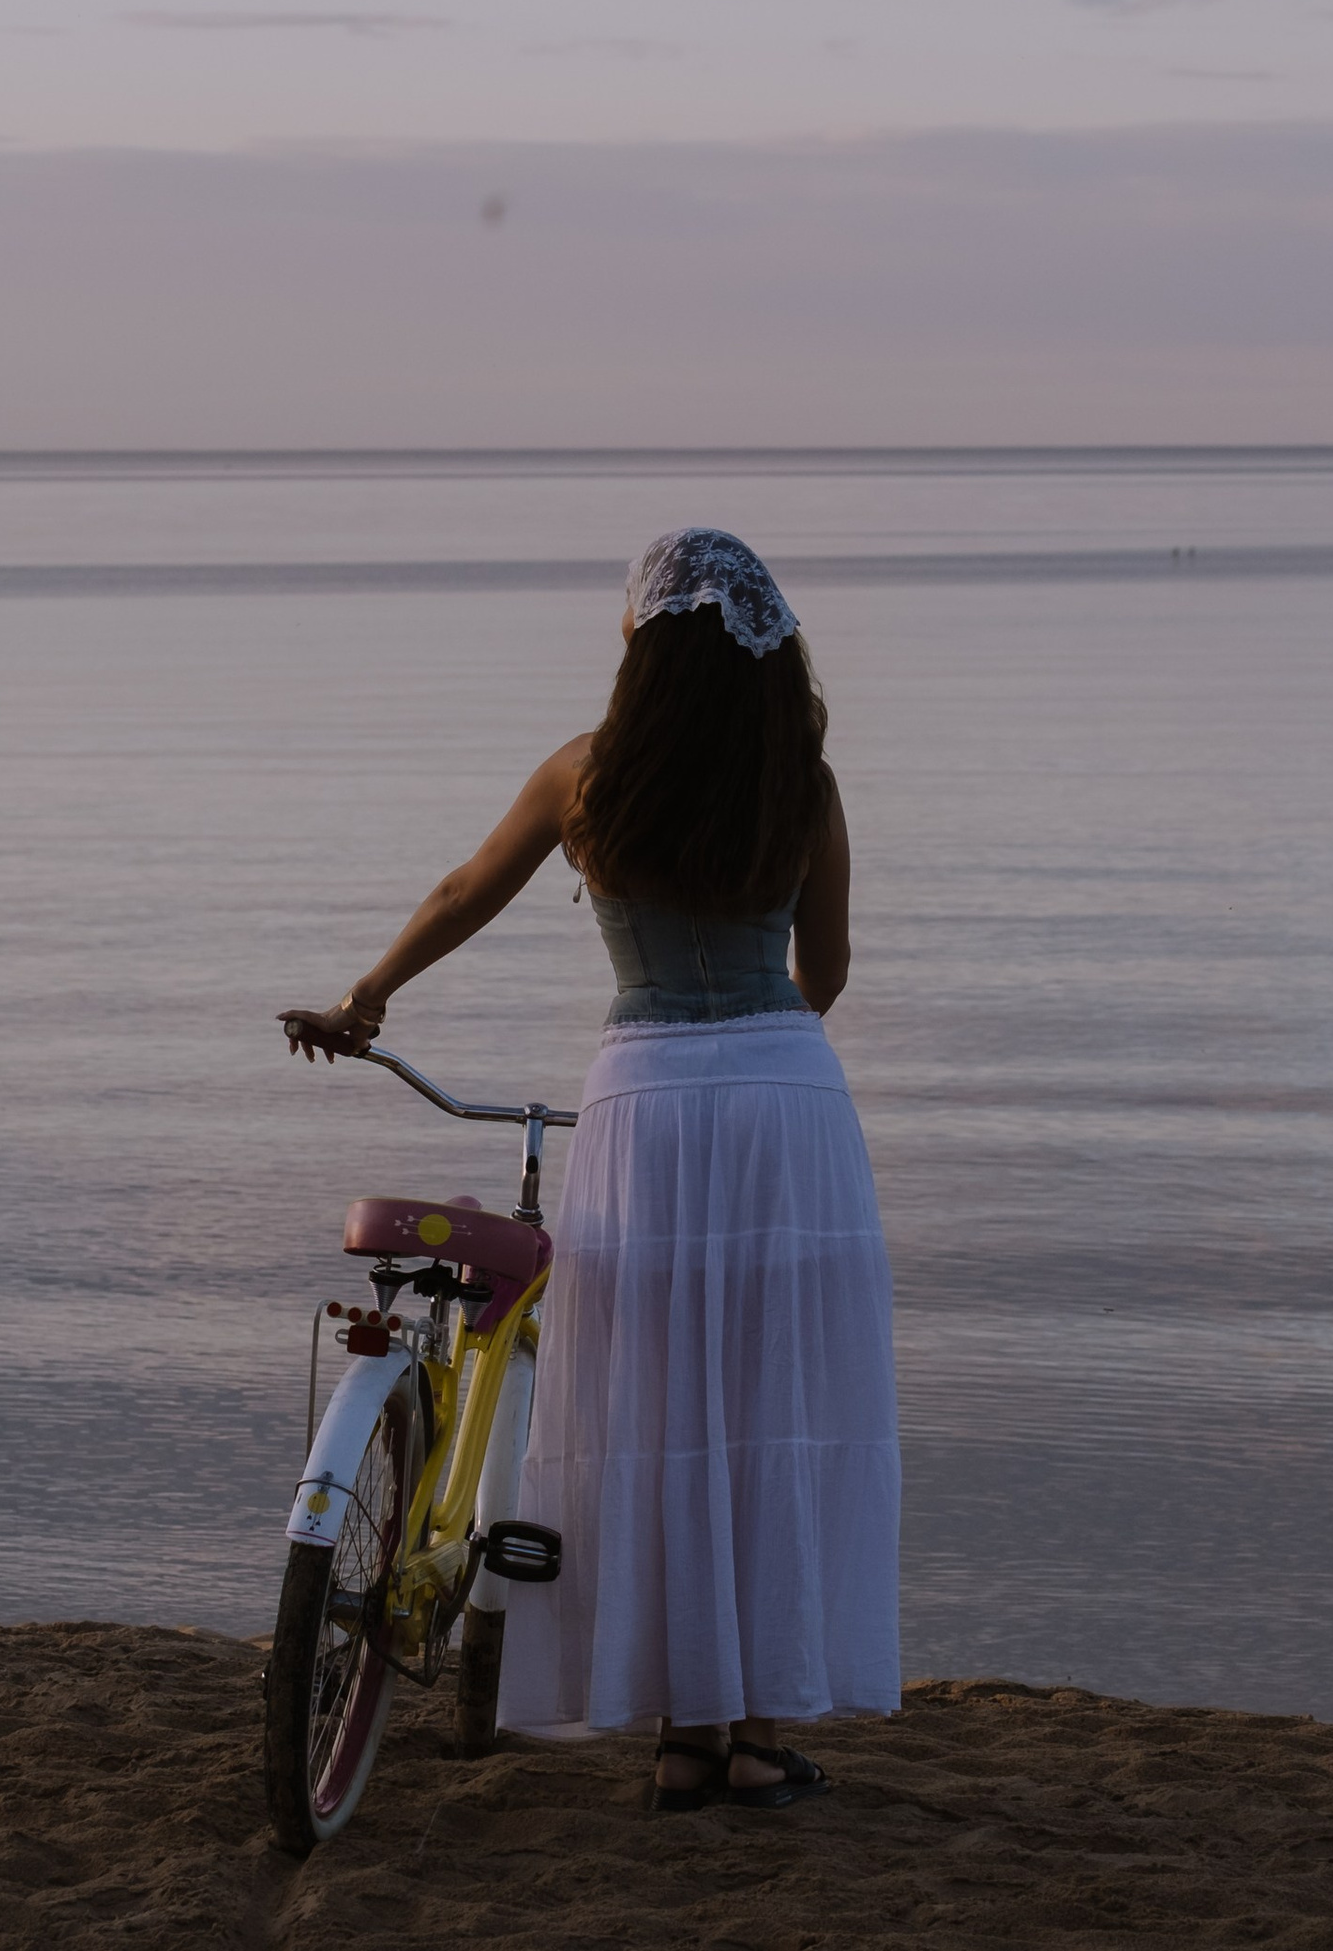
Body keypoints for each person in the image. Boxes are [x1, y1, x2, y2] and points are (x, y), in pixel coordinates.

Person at [280, 527, 900, 1813]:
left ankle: (680, 1732)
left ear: (642, 647)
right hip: (787, 1099)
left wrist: (367, 997)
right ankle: (757, 1732)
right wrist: (758, 1038)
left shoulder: (587, 776)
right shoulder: (804, 781)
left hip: (647, 1103)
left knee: (658, 1409)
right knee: (765, 1404)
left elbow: (466, 889)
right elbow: (824, 974)